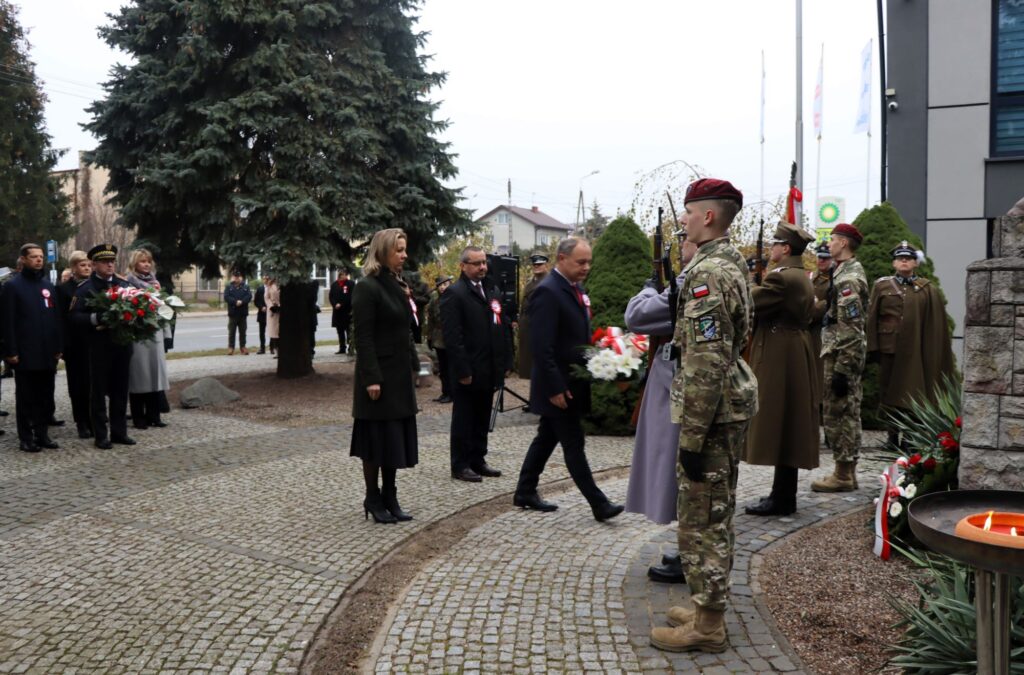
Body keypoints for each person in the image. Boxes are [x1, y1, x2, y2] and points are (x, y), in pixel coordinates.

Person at [651, 178, 757, 654]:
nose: (684, 220)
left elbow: (706, 361)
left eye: (689, 212)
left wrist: (691, 437)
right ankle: (704, 605)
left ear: (708, 216)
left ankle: (708, 627)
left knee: (703, 517)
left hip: (710, 416)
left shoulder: (708, 275)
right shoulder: (730, 262)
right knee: (715, 510)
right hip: (723, 408)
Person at [513, 237, 624, 522]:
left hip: (572, 382)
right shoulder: (547, 292)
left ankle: (525, 490)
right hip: (559, 386)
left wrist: (601, 356)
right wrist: (554, 387)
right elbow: (541, 346)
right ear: (562, 259)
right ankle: (599, 504)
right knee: (573, 444)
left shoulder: (575, 288)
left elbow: (573, 337)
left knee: (546, 438)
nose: (587, 267)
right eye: (581, 262)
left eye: (589, 261)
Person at [625, 233, 696, 584]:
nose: (682, 241)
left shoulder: (692, 278)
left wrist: (648, 289)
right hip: (689, 386)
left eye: (684, 235)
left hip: (683, 389)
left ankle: (692, 556)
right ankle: (691, 551)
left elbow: (636, 316)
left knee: (680, 471)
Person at [742, 222, 820, 517]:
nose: (771, 248)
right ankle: (782, 494)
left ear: (785, 248)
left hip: (781, 354)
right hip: (793, 349)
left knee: (781, 422)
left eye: (775, 244)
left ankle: (782, 498)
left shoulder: (782, 279)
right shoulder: (800, 275)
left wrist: (751, 281)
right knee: (789, 425)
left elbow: (750, 303)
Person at [350, 228, 419, 524]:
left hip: (399, 374)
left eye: (404, 249)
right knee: (375, 440)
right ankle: (372, 497)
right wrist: (371, 378)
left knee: (393, 439)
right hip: (378, 376)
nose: (404, 254)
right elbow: (362, 337)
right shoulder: (367, 287)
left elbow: (405, 330)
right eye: (398, 250)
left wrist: (415, 365)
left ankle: (391, 496)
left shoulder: (397, 283)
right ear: (382, 252)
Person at [866, 241, 956, 448]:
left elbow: (934, 325)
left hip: (916, 351)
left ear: (916, 263)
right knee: (888, 393)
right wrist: (873, 348)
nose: (904, 261)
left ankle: (909, 436)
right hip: (890, 348)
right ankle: (891, 436)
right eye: (900, 258)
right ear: (894, 263)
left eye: (908, 258)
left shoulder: (927, 289)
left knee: (913, 394)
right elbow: (872, 319)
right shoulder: (882, 286)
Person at [441, 247, 514, 482]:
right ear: (463, 266)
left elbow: (501, 326)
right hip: (469, 369)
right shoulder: (455, 293)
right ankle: (460, 464)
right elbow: (453, 337)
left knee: (482, 415)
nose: (482, 267)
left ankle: (478, 459)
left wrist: (505, 361)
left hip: (489, 366)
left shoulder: (491, 290)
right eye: (476, 263)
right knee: (464, 418)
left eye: (484, 263)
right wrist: (463, 370)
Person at [810, 223, 869, 492]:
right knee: (844, 410)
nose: (829, 244)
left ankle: (843, 474)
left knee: (841, 412)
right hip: (840, 349)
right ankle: (847, 472)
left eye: (832, 240)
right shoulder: (842, 272)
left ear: (843, 243)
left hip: (843, 353)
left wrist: (843, 368)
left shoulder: (848, 280)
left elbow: (851, 326)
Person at [70, 244, 136, 449]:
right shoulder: (85, 288)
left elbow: (137, 307)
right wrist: (96, 318)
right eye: (105, 262)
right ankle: (101, 435)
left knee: (120, 390)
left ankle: (119, 432)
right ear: (94, 264)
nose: (110, 264)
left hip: (122, 345)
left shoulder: (123, 284)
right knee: (98, 392)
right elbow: (74, 317)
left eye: (112, 261)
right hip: (98, 346)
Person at [0, 243, 63, 452]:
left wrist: (57, 346)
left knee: (45, 396)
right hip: (25, 353)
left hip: (47, 352)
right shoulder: (12, 286)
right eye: (34, 257)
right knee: (26, 398)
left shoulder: (47, 286)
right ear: (23, 260)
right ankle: (26, 438)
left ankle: (42, 434)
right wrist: (11, 351)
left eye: (41, 256)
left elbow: (55, 318)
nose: (39, 260)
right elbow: (7, 322)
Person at [125, 249, 171, 430]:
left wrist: (167, 334)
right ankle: (139, 416)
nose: (146, 264)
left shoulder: (155, 282)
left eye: (148, 261)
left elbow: (164, 308)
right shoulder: (129, 283)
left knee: (155, 374)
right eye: (142, 261)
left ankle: (155, 415)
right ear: (135, 263)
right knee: (139, 375)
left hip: (156, 334)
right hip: (139, 336)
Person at [57, 250, 93, 438]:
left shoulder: (95, 286)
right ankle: (81, 421)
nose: (86, 268)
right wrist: (62, 346)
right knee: (78, 385)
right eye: (82, 265)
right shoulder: (64, 289)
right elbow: (61, 319)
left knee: (94, 384)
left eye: (88, 265)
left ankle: (94, 419)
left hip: (93, 342)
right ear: (73, 268)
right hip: (74, 344)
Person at [516, 253, 549, 383]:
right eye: (534, 264)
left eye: (540, 264)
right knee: (529, 367)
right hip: (527, 328)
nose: (536, 266)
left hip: (539, 328)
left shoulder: (548, 282)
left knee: (540, 367)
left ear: (547, 265)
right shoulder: (531, 282)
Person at [425, 275, 453, 403]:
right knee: (443, 368)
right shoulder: (434, 300)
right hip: (439, 338)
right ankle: (445, 392)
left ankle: (452, 394)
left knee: (451, 367)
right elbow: (430, 320)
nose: (442, 287)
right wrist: (430, 337)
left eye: (445, 284)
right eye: (440, 285)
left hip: (451, 337)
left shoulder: (454, 298)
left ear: (450, 284)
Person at [809, 242, 832, 393]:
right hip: (810, 332)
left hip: (826, 333)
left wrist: (817, 305)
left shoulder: (834, 279)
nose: (821, 261)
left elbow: (830, 305)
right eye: (819, 257)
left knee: (822, 375)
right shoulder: (810, 277)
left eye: (825, 258)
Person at [224, 271, 252, 355]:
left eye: (238, 276)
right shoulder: (229, 287)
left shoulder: (246, 287)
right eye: (235, 276)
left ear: (241, 277)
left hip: (242, 313)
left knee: (243, 332)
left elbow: (249, 296)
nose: (236, 278)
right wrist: (235, 302)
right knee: (232, 332)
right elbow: (226, 297)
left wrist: (242, 302)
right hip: (233, 313)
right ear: (233, 277)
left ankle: (243, 347)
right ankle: (231, 347)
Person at [329, 268, 355, 354]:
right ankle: (342, 348)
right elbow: (331, 296)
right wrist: (335, 304)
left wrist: (342, 304)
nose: (343, 276)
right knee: (340, 331)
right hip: (337, 312)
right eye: (342, 274)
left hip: (347, 311)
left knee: (348, 330)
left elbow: (351, 296)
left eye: (345, 274)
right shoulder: (334, 285)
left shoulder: (350, 284)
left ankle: (350, 348)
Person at [265, 277, 281, 356]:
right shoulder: (269, 285)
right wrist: (271, 306)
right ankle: (276, 350)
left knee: (281, 331)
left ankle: (282, 350)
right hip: (273, 312)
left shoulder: (283, 283)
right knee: (274, 332)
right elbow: (266, 298)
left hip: (281, 310)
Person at [254, 276, 268, 354]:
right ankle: (262, 348)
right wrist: (261, 307)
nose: (265, 280)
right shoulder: (260, 289)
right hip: (262, 313)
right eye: (264, 279)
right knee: (262, 332)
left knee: (272, 331)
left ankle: (273, 348)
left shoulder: (272, 288)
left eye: (267, 279)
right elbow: (256, 301)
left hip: (271, 313)